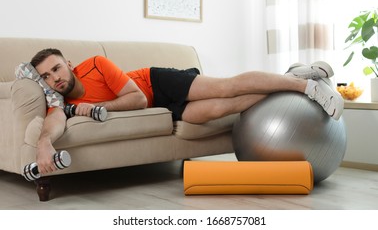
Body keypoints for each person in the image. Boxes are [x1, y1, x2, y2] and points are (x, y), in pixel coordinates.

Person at [30, 48, 344, 175]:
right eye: (46, 76)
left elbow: (138, 100)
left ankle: (307, 87)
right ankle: (292, 76)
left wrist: (95, 107)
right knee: (221, 107)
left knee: (226, 87)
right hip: (163, 106)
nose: (54, 78)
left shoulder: (97, 64)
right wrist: (45, 143)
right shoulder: (55, 100)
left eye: (56, 69)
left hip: (156, 83)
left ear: (68, 65)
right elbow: (53, 122)